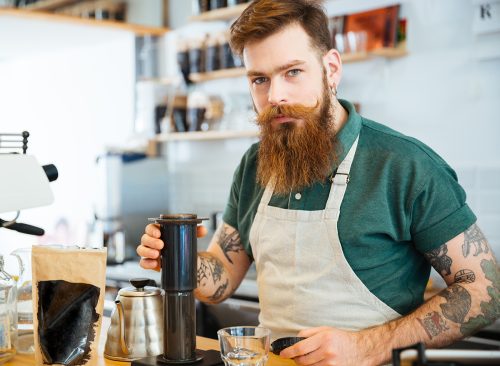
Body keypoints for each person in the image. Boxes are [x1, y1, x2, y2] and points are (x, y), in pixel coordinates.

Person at [137, 1, 499, 364]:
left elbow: (486, 292)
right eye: (259, 79)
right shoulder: (255, 164)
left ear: (331, 69)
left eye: (292, 72)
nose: (275, 96)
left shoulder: (405, 165)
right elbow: (222, 279)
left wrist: (366, 346)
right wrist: (175, 257)